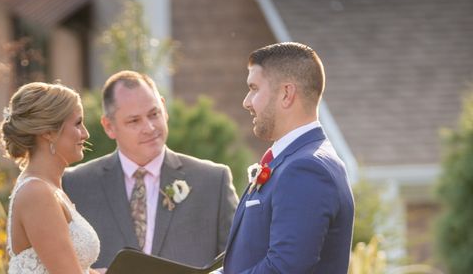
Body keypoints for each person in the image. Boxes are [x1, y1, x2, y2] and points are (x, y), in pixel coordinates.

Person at [63, 70, 238, 269]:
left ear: (164, 108)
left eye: (154, 114)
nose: (149, 127)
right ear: (109, 126)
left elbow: (238, 261)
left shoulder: (213, 181)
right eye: (134, 121)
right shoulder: (74, 184)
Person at [217, 42, 354, 274]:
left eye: (254, 88)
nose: (246, 101)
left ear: (286, 94)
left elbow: (283, 268)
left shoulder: (306, 168)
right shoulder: (293, 160)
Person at [0, 82, 105, 274]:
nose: (85, 133)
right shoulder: (36, 193)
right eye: (78, 123)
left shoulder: (51, 188)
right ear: (48, 132)